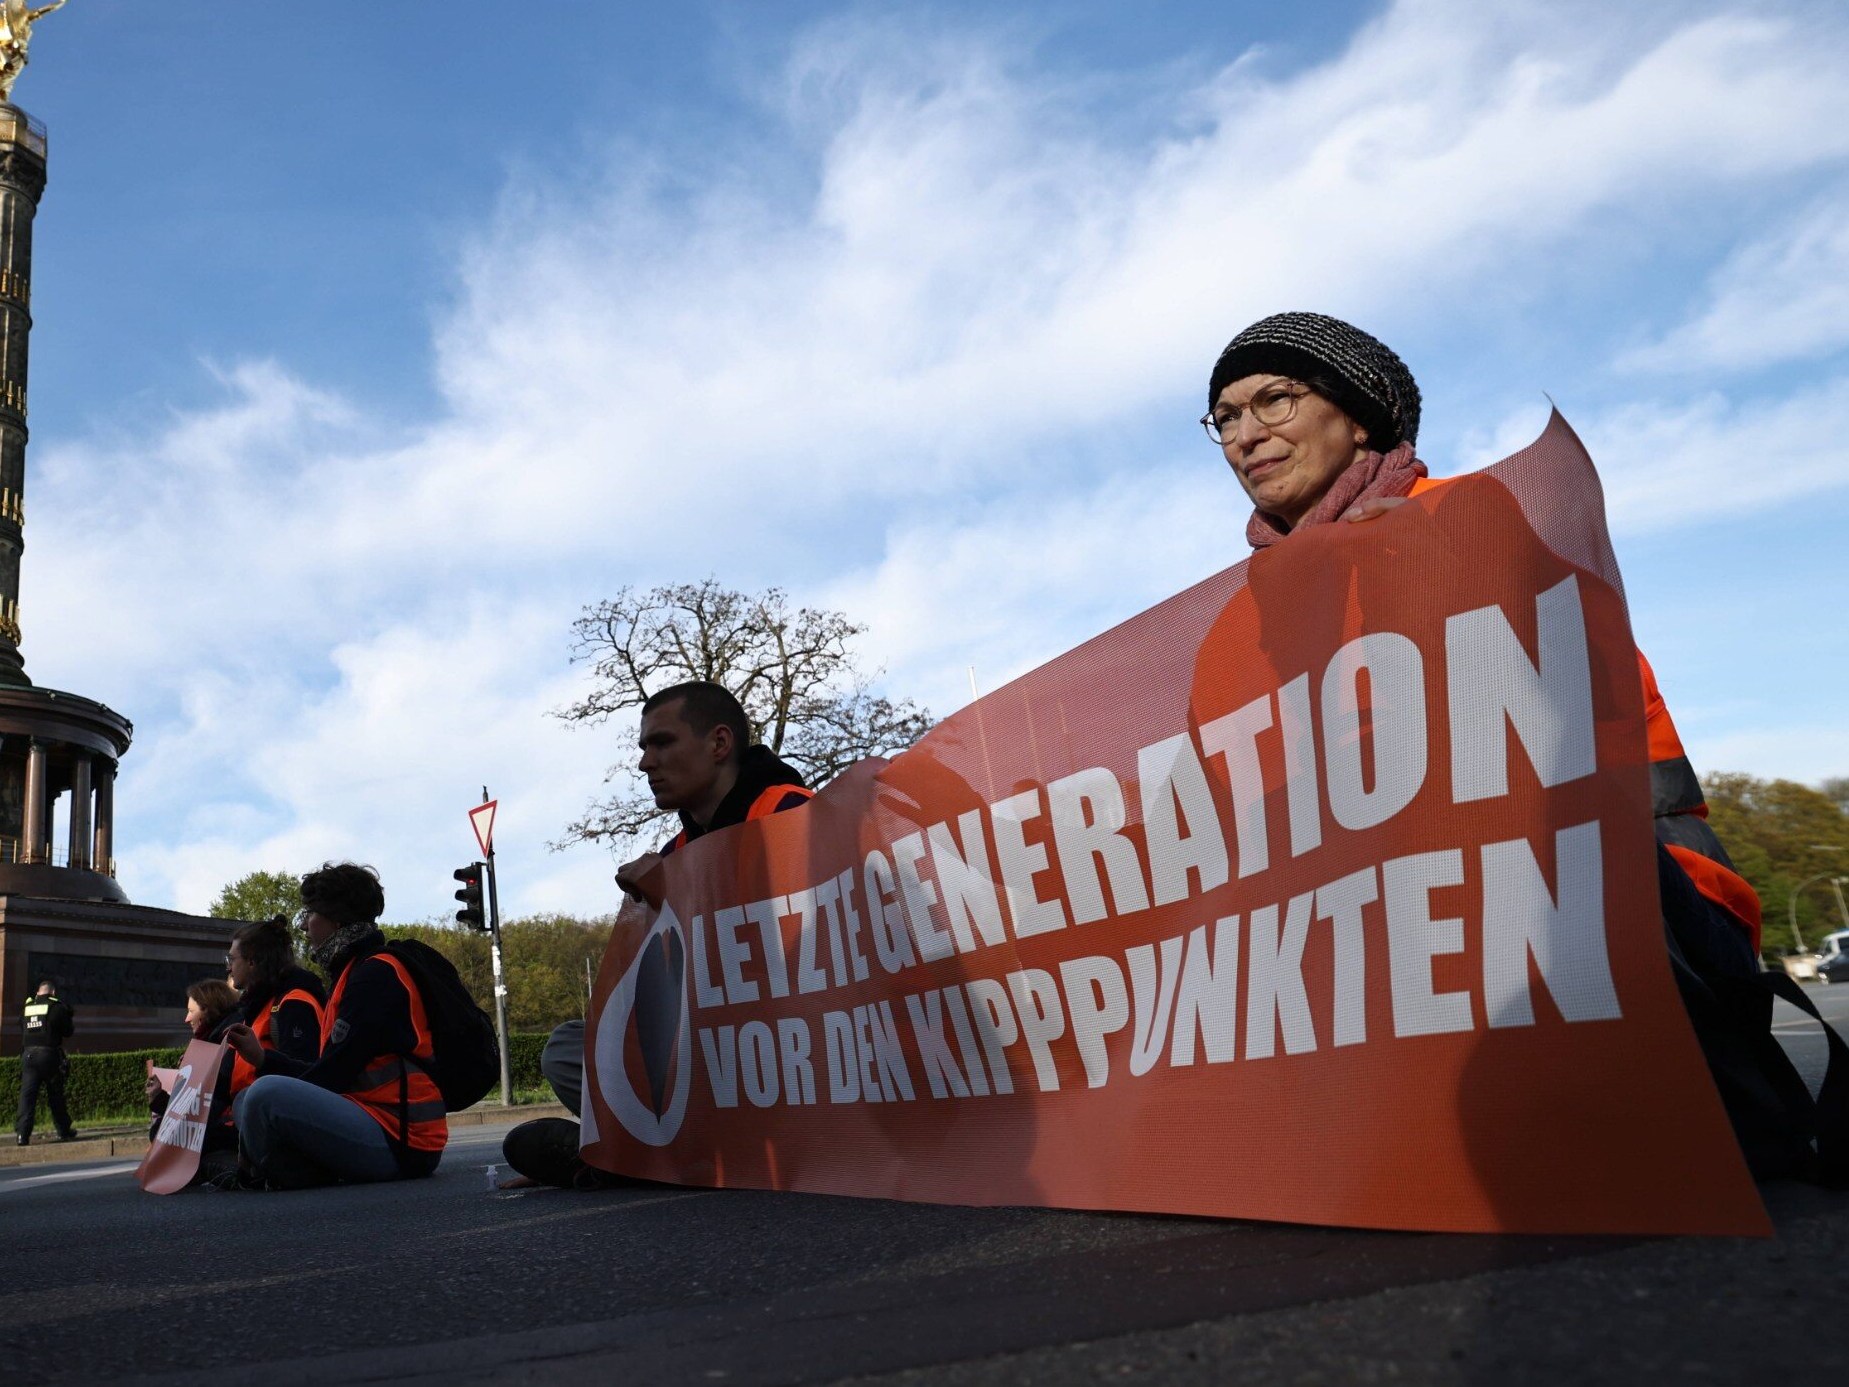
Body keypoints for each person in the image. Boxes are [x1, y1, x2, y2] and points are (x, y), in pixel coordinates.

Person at [1201, 310, 1762, 970]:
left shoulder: (1470, 516)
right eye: (1225, 418)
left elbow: (1590, 706)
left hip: (1616, 905)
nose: (1246, 434)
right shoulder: (1224, 635)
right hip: (1377, 953)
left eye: (1274, 399)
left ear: (1357, 417)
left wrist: (1450, 588)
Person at [503, 679, 814, 1188]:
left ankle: (640, 1158)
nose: (645, 763)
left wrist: (679, 896)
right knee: (566, 1048)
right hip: (713, 1053)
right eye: (643, 747)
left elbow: (806, 953)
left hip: (783, 1041)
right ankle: (656, 1151)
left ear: (718, 744)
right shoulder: (676, 851)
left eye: (662, 743)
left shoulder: (793, 812)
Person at [224, 863, 446, 1189]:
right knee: (248, 1099)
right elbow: (330, 1070)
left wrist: (268, 1075)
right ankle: (291, 1170)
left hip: (401, 1139)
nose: (304, 926)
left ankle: (281, 1172)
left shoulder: (374, 974)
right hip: (374, 1121)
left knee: (262, 1095)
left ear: (335, 919)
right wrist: (264, 1060)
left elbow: (333, 1074)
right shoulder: (354, 971)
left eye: (310, 914)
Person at [224, 914, 325, 1102]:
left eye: (232, 960)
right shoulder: (256, 1005)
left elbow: (310, 1077)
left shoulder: (295, 1003)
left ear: (252, 962)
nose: (228, 968)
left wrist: (262, 1058)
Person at [145, 978, 242, 1167]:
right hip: (219, 1119)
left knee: (163, 1131)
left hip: (229, 1124)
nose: (186, 1019)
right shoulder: (209, 1040)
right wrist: (159, 1099)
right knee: (159, 1129)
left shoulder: (225, 1041)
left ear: (208, 1010)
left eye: (191, 1011)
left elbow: (210, 1104)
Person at [14, 977, 75, 1145]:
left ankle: (22, 1135)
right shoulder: (56, 1007)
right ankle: (63, 1130)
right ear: (53, 992)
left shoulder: (27, 1008)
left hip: (28, 1056)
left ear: (37, 993)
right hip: (48, 1055)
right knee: (55, 1094)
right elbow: (68, 1031)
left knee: (27, 1097)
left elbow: (22, 1027)